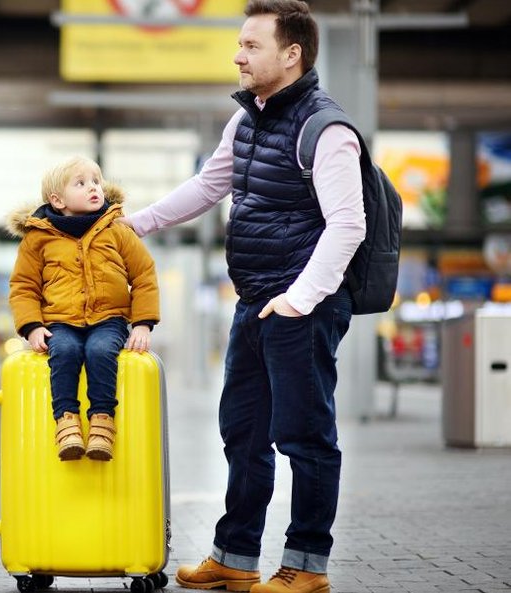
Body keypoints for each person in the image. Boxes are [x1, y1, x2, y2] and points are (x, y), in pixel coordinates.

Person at [120, 1, 366, 592]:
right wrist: (137, 223)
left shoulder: (324, 129)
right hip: (253, 298)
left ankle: (307, 566)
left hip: (299, 307)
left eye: (252, 46)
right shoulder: (248, 119)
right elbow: (212, 183)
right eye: (239, 43)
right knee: (244, 431)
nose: (238, 55)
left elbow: (348, 225)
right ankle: (235, 556)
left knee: (306, 437)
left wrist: (299, 299)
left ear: (292, 54)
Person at [6, 156, 160, 462]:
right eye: (81, 183)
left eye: (96, 181)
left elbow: (143, 274)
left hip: (108, 319)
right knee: (63, 351)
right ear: (57, 200)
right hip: (60, 322)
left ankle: (102, 423)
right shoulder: (38, 238)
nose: (94, 188)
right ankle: (66, 422)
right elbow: (23, 286)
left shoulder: (116, 229)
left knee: (101, 351)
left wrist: (142, 323)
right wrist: (32, 326)